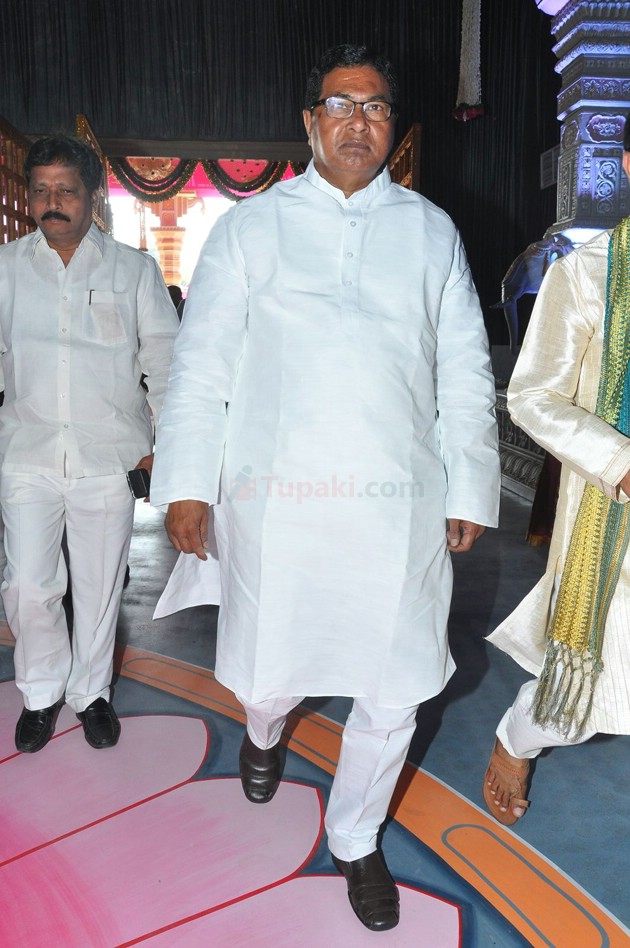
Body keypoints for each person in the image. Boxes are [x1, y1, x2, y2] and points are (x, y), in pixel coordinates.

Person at [151, 44, 499, 932]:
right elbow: (201, 369)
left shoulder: (430, 231)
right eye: (340, 104)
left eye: (375, 107)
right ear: (310, 122)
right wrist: (186, 484)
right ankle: (265, 732)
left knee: (396, 685)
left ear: (394, 129)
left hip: (398, 503)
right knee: (270, 673)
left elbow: (464, 369)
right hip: (278, 501)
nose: (357, 122)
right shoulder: (251, 228)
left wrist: (470, 485)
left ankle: (355, 837)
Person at [0, 135, 179, 754]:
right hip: (27, 453)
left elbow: (166, 362)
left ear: (93, 196)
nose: (52, 202)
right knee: (27, 585)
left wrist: (164, 445)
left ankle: (91, 693)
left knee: (100, 587)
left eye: (66, 190)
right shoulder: (5, 268)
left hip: (110, 458)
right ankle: (40, 692)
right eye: (41, 190)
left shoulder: (133, 270)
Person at [483, 116, 630, 826]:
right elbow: (532, 396)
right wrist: (619, 462)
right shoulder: (589, 274)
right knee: (584, 697)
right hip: (616, 517)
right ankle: (519, 735)